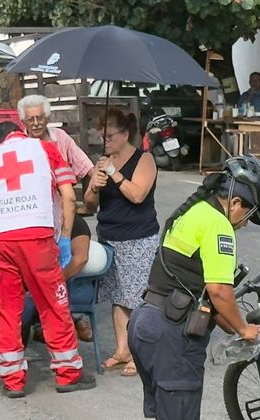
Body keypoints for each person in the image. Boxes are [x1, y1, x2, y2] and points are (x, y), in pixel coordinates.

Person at [127, 155, 260, 419]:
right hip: (172, 337)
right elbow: (218, 290)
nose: (244, 225)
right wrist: (243, 328)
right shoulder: (218, 225)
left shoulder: (194, 211)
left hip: (146, 325)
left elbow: (197, 289)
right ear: (236, 203)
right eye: (248, 217)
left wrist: (235, 328)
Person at [0, 122, 94, 383]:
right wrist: (65, 237)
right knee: (52, 304)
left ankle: (12, 381)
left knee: (5, 309)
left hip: (0, 240)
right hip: (37, 235)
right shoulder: (45, 149)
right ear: (21, 134)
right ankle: (68, 374)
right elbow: (68, 196)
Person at [83, 108, 158, 377]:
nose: (105, 141)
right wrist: (94, 185)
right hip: (110, 237)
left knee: (137, 298)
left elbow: (138, 195)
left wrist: (114, 173)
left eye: (110, 135)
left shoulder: (144, 159)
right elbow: (89, 205)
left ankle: (140, 353)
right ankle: (122, 349)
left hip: (139, 238)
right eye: (101, 135)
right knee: (118, 296)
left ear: (125, 134)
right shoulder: (101, 163)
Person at [17, 94, 95, 181]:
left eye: (40, 118)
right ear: (23, 121)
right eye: (30, 119)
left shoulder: (60, 136)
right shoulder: (19, 143)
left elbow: (83, 162)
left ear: (47, 118)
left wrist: (96, 176)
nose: (36, 123)